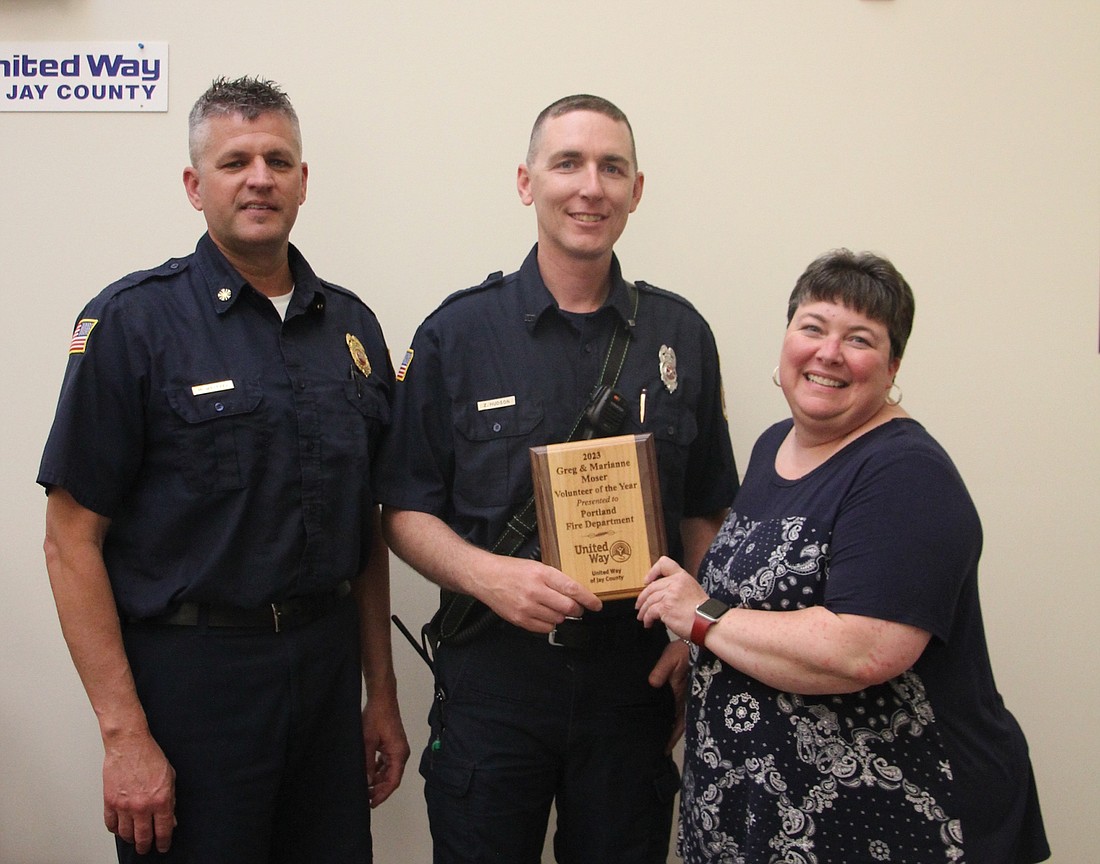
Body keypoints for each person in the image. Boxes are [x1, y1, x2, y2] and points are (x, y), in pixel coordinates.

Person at [38, 76, 409, 863]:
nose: (259, 177)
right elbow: (70, 542)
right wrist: (124, 735)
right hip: (194, 684)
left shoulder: (351, 328)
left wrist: (382, 692)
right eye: (235, 160)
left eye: (279, 159)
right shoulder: (133, 324)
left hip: (324, 669)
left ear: (304, 181)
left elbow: (365, 529)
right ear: (193, 184)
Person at [376, 94, 738, 863]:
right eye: (567, 163)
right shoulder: (456, 334)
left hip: (632, 683)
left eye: (613, 168)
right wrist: (491, 576)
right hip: (496, 680)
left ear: (637, 191)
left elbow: (709, 509)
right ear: (525, 180)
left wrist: (696, 631)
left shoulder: (680, 335)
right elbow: (403, 509)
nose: (590, 187)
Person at [636, 249, 1050, 864]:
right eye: (812, 327)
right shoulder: (776, 443)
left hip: (889, 820)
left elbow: (862, 650)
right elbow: (759, 594)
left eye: (859, 339)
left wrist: (700, 618)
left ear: (892, 367)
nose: (828, 353)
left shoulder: (905, 473)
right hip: (762, 809)